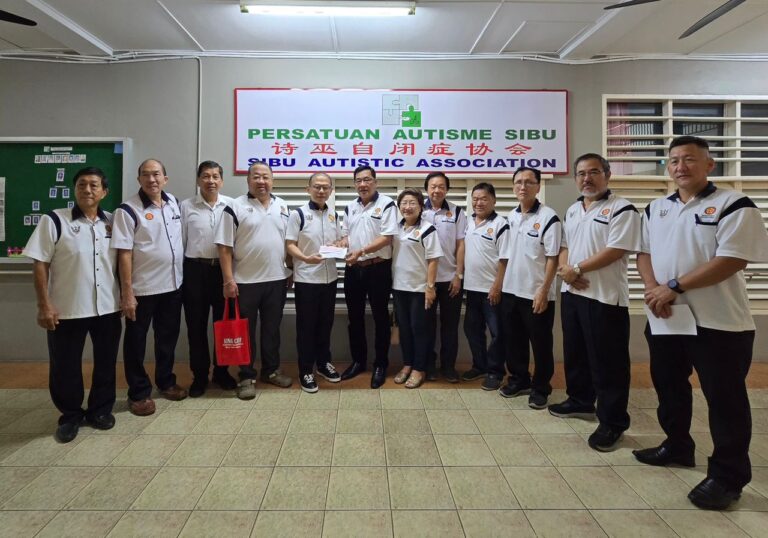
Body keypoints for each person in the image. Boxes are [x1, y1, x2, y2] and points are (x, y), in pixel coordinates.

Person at [635, 135, 768, 510]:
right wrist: (654, 290)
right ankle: (677, 446)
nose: (680, 166)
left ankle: (728, 477)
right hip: (667, 318)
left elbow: (732, 259)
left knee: (725, 401)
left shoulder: (734, 204)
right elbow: (643, 253)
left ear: (709, 165)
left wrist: (673, 287)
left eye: (689, 159)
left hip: (719, 324)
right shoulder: (656, 208)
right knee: (669, 387)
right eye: (674, 160)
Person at [24, 167, 122, 442]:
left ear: (104, 192)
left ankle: (100, 410)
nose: (87, 190)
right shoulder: (55, 220)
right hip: (67, 309)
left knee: (106, 362)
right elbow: (40, 264)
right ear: (74, 189)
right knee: (65, 366)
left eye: (94, 185)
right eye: (81, 185)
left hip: (107, 307)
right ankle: (70, 415)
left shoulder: (112, 222)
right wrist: (44, 305)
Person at [550, 153, 640, 452]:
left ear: (607, 175)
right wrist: (566, 270)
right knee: (576, 352)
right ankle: (580, 400)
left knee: (608, 362)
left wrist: (577, 269)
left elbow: (616, 249)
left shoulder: (622, 208)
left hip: (604, 297)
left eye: (593, 172)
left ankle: (613, 422)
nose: (586, 178)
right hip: (573, 293)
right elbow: (564, 245)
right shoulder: (573, 209)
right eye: (581, 173)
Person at [112, 159, 187, 416]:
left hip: (173, 286)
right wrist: (127, 293)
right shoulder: (127, 210)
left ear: (165, 178)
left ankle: (165, 381)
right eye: (146, 175)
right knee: (136, 342)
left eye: (156, 174)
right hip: (142, 289)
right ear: (139, 180)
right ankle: (138, 392)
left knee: (167, 338)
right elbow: (123, 254)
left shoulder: (174, 203)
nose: (151, 179)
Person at [215, 160, 293, 399]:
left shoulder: (282, 205)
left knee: (272, 330)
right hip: (245, 282)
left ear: (273, 180)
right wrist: (228, 280)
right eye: (256, 177)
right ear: (248, 180)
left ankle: (271, 371)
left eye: (265, 177)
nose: (261, 181)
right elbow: (224, 247)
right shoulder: (234, 207)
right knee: (245, 332)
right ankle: (246, 376)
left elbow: (288, 242)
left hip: (277, 280)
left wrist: (290, 269)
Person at [498, 167, 561, 409]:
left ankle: (541, 388)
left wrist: (544, 290)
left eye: (528, 182)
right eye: (518, 182)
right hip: (511, 290)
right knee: (514, 341)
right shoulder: (511, 216)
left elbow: (553, 257)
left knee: (541, 343)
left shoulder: (548, 217)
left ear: (538, 186)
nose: (522, 187)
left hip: (536, 292)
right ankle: (519, 379)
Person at [180, 160, 237, 398]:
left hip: (224, 272)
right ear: (198, 180)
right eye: (205, 176)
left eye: (215, 176)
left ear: (221, 181)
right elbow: (180, 241)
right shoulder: (186, 206)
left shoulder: (232, 205)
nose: (210, 181)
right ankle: (200, 376)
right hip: (195, 270)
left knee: (223, 326)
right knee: (196, 326)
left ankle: (222, 372)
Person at [340, 165, 398, 389]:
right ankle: (358, 361)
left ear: (375, 182)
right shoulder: (350, 207)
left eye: (367, 180)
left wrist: (361, 251)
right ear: (354, 184)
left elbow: (387, 237)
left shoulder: (387, 204)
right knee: (354, 317)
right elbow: (346, 235)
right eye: (358, 181)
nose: (363, 184)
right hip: (354, 269)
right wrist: (341, 243)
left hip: (378, 268)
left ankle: (380, 364)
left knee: (380, 317)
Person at [285, 172, 343, 393]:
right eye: (317, 187)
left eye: (325, 187)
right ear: (308, 189)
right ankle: (306, 370)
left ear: (331, 191)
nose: (321, 190)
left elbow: (339, 241)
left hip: (330, 278)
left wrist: (342, 244)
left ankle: (323, 363)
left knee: (325, 324)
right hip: (307, 279)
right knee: (306, 327)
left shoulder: (334, 215)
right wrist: (305, 258)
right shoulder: (298, 214)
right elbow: (290, 244)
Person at [391, 188, 443, 389]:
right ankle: (407, 364)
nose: (407, 207)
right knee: (404, 329)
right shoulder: (396, 228)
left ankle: (419, 368)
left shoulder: (428, 229)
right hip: (399, 287)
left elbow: (433, 260)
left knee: (419, 329)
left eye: (412, 203)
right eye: (404, 203)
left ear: (421, 207)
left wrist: (430, 287)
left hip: (420, 289)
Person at [462, 182, 509, 391]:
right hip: (471, 288)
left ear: (493, 200)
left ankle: (495, 372)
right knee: (472, 329)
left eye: (483, 199)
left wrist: (497, 286)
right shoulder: (468, 222)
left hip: (492, 289)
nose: (478, 203)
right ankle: (479, 365)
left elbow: (505, 259)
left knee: (497, 333)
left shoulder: (501, 224)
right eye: (475, 199)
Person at [422, 172, 466, 383]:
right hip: (424, 281)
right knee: (426, 326)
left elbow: (461, 244)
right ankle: (429, 366)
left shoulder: (456, 212)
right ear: (427, 189)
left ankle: (448, 367)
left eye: (441, 186)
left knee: (450, 326)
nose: (437, 190)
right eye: (433, 186)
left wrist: (458, 274)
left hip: (450, 279)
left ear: (447, 189)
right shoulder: (417, 210)